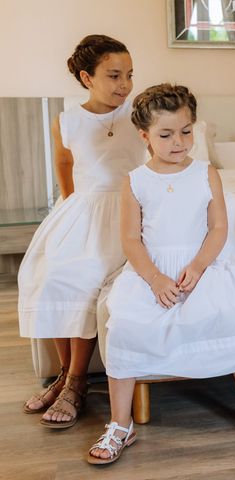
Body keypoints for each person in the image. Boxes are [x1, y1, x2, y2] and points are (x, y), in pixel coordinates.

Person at [87, 84, 235, 465]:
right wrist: (156, 279)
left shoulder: (206, 172)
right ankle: (120, 423)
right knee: (126, 324)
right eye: (166, 134)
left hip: (203, 263)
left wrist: (198, 266)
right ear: (145, 136)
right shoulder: (136, 180)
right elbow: (130, 240)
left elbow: (218, 229)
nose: (179, 142)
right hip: (154, 269)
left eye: (186, 130)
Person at [18, 34, 146, 428]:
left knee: (87, 275)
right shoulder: (67, 120)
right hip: (84, 208)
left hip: (125, 210)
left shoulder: (139, 115)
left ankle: (76, 382)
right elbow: (64, 164)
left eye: (128, 75)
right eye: (113, 75)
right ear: (87, 77)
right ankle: (63, 375)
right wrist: (72, 208)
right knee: (49, 273)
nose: (124, 84)